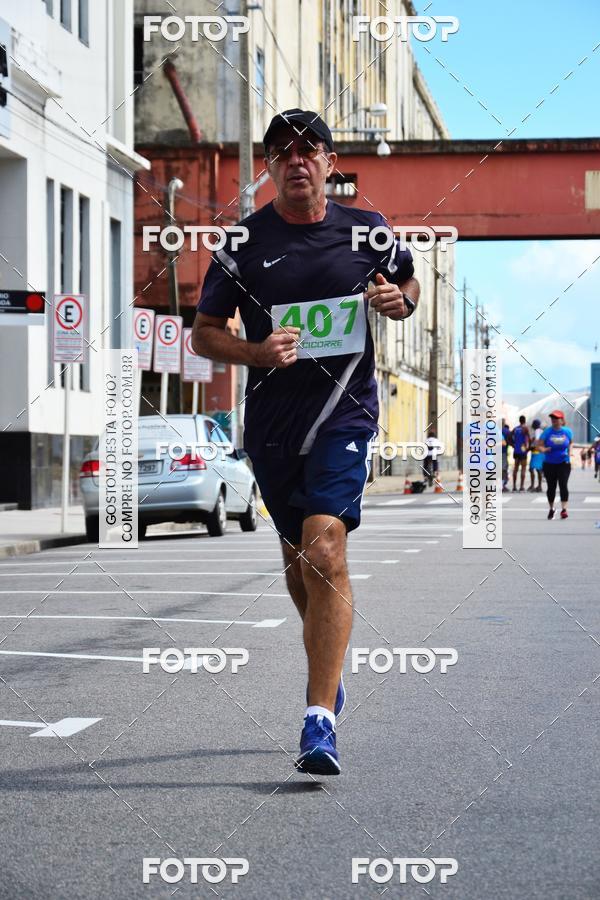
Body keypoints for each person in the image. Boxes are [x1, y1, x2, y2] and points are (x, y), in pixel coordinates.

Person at [192, 109, 420, 776]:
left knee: (326, 547)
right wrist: (255, 351)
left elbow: (407, 287)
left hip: (344, 418)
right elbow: (204, 332)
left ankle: (319, 719)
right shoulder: (241, 243)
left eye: (309, 149)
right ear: (269, 165)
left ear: (328, 162)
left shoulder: (367, 232)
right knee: (301, 565)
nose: (296, 160)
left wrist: (397, 301)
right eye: (282, 151)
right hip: (272, 426)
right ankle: (330, 669)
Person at [537, 410, 573, 519]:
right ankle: (552, 509)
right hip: (549, 464)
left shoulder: (567, 431)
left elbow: (571, 443)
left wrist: (570, 453)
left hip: (564, 463)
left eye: (556, 418)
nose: (554, 420)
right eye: (552, 418)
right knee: (551, 487)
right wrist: (544, 449)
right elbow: (539, 446)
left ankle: (564, 510)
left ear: (562, 420)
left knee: (563, 485)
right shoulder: (547, 432)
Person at [511, 415, 530, 492]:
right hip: (523, 450)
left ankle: (514, 487)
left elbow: (509, 436)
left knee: (515, 468)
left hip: (516, 450)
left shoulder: (515, 429)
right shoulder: (525, 428)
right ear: (525, 421)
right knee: (523, 469)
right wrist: (528, 448)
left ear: (519, 421)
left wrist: (512, 444)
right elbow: (528, 438)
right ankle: (521, 486)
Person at [527, 418, 544, 492]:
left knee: (532, 469)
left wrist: (530, 447)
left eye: (533, 424)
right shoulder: (541, 431)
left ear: (535, 425)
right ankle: (538, 486)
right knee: (538, 469)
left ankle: (533, 486)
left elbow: (537, 441)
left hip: (536, 452)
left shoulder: (537, 431)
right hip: (539, 452)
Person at [501, 419, 511, 492]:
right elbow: (509, 440)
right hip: (503, 452)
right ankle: (503, 485)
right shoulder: (506, 431)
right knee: (504, 469)